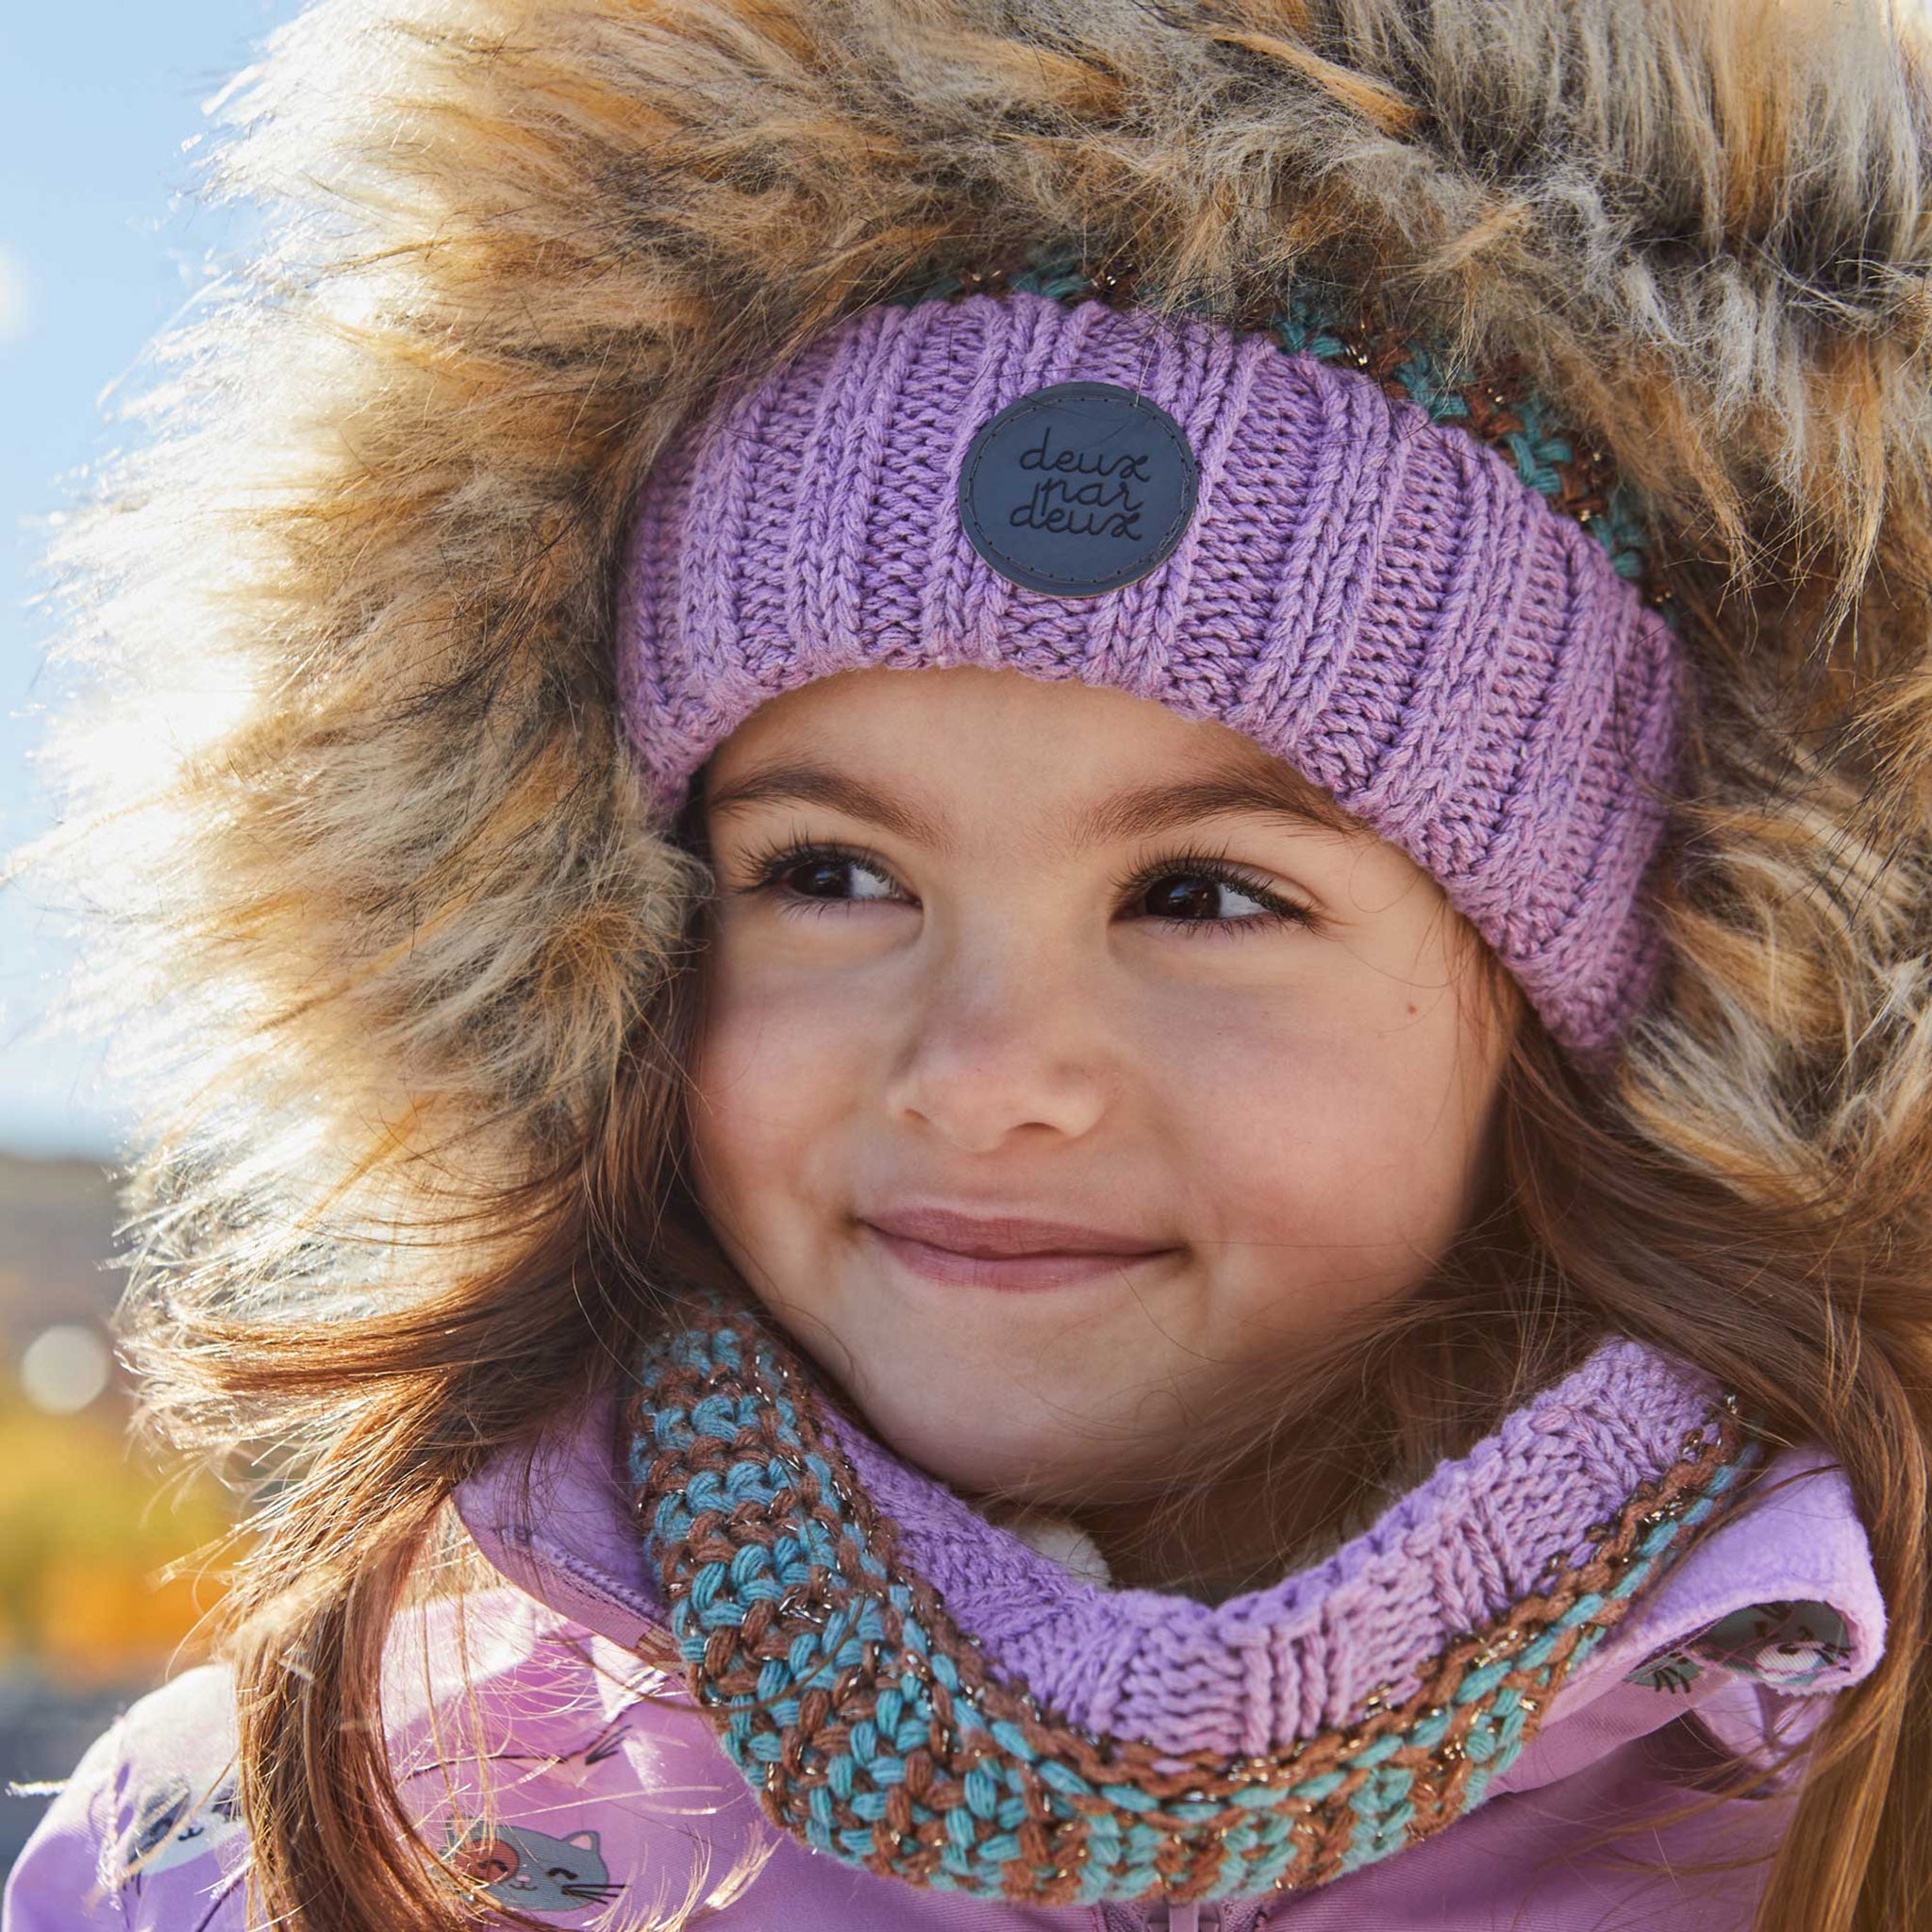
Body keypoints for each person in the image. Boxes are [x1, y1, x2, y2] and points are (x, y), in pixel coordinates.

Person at [8, 0, 1931, 1925]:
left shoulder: (1833, 1834)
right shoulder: (287, 1837)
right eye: (831, 871)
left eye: (1202, 897)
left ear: (1583, 1005)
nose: (985, 1066)